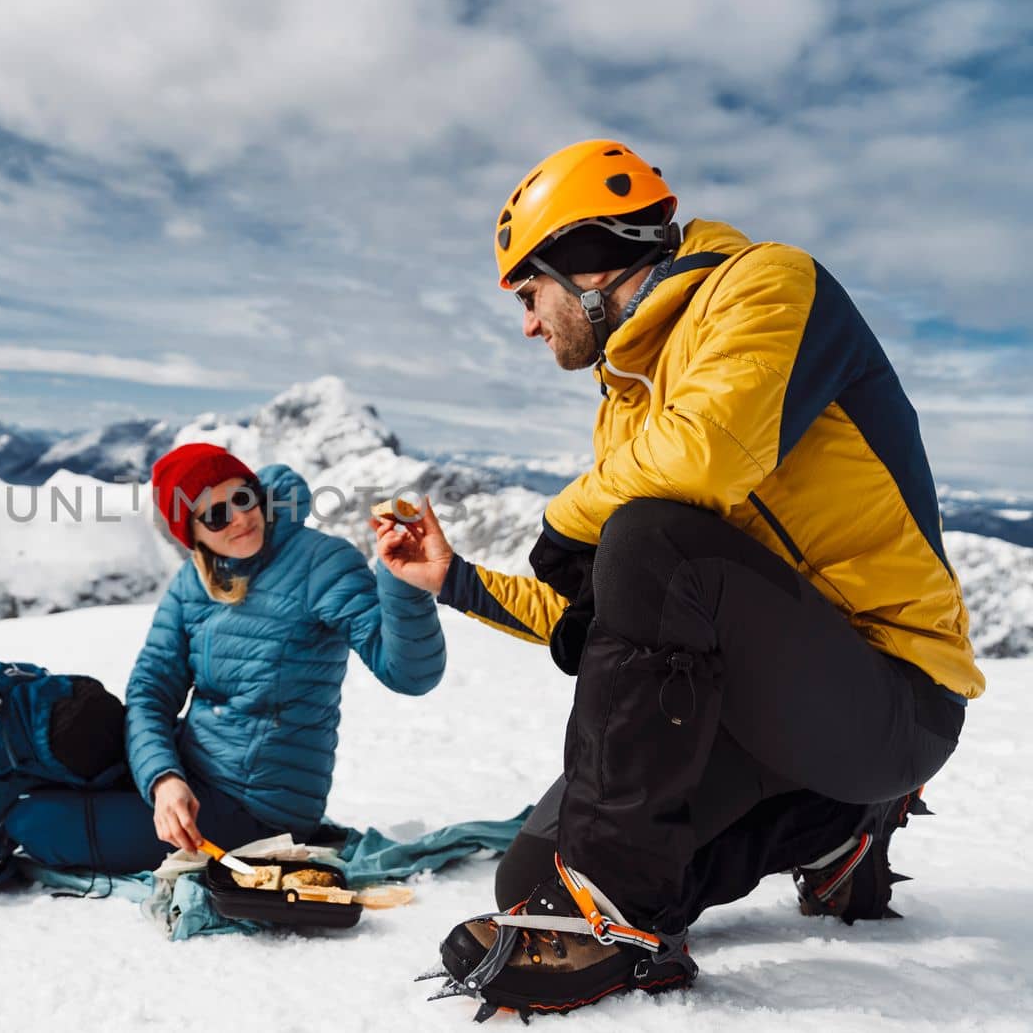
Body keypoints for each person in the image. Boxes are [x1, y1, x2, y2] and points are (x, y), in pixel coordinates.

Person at [379, 139, 980, 1019]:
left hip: (893, 694)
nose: (528, 323)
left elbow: (707, 453)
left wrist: (565, 518)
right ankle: (839, 831)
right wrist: (458, 580)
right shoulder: (627, 403)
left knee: (652, 533)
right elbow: (617, 613)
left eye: (528, 291)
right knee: (533, 875)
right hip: (764, 706)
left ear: (585, 264)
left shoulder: (768, 285)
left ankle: (623, 925)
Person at [5, 443, 446, 872]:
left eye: (243, 497)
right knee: (31, 770)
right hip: (189, 768)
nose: (238, 518)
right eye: (215, 515)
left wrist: (403, 584)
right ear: (191, 534)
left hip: (260, 808)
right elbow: (150, 692)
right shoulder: (192, 581)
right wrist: (163, 778)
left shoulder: (321, 563)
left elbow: (409, 673)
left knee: (33, 822)